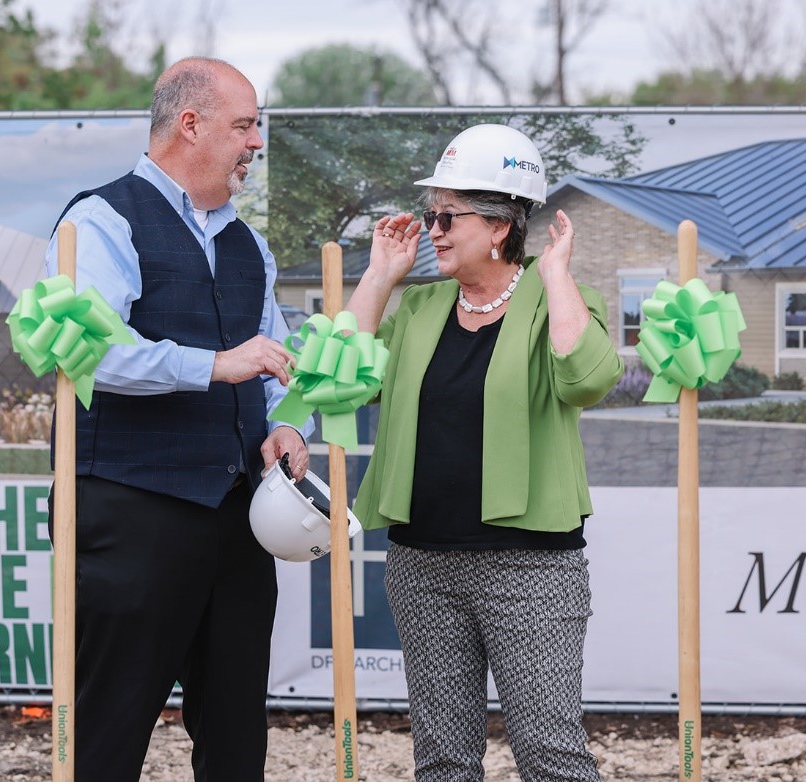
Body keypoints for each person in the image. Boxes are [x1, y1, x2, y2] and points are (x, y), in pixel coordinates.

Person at [44, 57, 311, 781]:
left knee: (233, 732)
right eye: (245, 125)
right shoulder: (97, 221)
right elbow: (92, 357)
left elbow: (275, 363)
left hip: (234, 520)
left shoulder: (248, 243)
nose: (255, 143)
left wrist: (285, 428)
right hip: (129, 512)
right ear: (189, 124)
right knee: (109, 724)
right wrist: (215, 363)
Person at [347, 124, 624, 782]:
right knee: (442, 761)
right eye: (428, 215)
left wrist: (552, 273)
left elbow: (584, 378)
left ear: (500, 225)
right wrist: (379, 277)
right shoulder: (418, 307)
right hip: (422, 567)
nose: (433, 230)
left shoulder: (560, 301)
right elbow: (341, 377)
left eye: (447, 216)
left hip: (528, 571)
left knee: (550, 756)